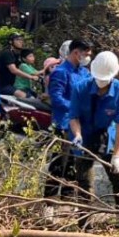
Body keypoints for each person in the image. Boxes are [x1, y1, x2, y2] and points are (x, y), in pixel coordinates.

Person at [68, 51, 119, 227]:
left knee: (118, 177)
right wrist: (78, 135)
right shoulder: (80, 88)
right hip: (84, 136)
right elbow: (73, 116)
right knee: (84, 181)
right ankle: (84, 221)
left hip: (107, 136)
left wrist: (117, 155)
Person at [43, 40, 92, 215]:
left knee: (74, 164)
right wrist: (75, 108)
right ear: (75, 53)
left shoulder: (85, 73)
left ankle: (68, 201)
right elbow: (56, 98)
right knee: (58, 164)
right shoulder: (60, 73)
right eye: (85, 54)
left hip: (80, 125)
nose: (87, 57)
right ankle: (48, 204)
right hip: (63, 124)